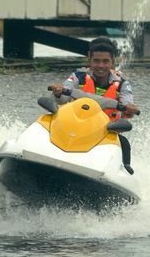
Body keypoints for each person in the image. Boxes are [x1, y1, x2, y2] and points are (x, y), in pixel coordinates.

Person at [49, 37, 140, 174]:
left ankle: (124, 171)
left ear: (113, 62)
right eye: (96, 61)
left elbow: (127, 106)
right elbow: (63, 99)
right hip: (73, 127)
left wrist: (130, 108)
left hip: (105, 134)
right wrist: (58, 92)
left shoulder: (122, 84)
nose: (101, 66)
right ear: (89, 61)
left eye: (105, 61)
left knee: (124, 143)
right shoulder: (77, 78)